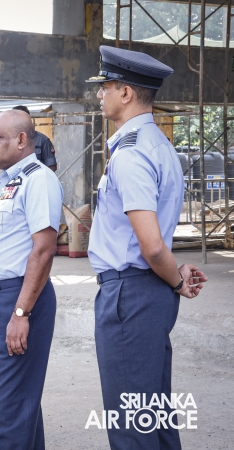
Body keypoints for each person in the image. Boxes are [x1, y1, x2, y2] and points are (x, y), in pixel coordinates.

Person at [85, 45, 208, 449]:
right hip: (146, 289)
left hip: (130, 294)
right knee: (154, 415)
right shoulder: (157, 145)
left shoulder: (132, 153)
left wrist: (176, 280)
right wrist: (173, 275)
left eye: (105, 87)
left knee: (130, 425)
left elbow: (152, 247)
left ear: (125, 93)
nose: (99, 94)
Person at [0, 110, 63, 449]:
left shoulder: (39, 180)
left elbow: (44, 249)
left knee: (12, 411)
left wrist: (21, 313)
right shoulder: (8, 182)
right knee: (13, 405)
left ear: (22, 140)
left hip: (19, 299)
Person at [12, 105, 58, 171]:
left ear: (27, 119)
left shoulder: (43, 140)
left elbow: (51, 167)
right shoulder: (9, 140)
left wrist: (39, 176)